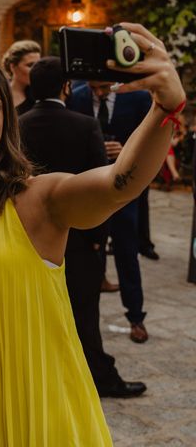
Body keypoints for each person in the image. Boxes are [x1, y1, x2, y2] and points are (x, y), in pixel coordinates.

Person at [0, 23, 184, 445]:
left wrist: (165, 105)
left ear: (7, 120)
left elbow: (119, 183)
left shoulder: (39, 199)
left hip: (31, 418)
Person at [19, 56, 146, 398]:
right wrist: (97, 241)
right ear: (65, 87)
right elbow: (98, 192)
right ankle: (103, 379)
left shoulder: (18, 124)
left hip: (29, 237)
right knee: (84, 312)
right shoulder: (84, 125)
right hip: (79, 237)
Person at [68, 79, 153, 343]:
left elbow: (151, 138)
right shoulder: (76, 96)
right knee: (91, 255)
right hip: (90, 189)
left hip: (124, 189)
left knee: (128, 253)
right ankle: (86, 324)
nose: (98, 93)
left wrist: (125, 149)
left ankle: (136, 317)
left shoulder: (138, 97)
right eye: (94, 89)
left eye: (104, 88)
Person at [1, 39, 41, 115]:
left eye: (38, 65)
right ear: (13, 67)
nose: (36, 69)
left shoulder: (39, 95)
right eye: (30, 65)